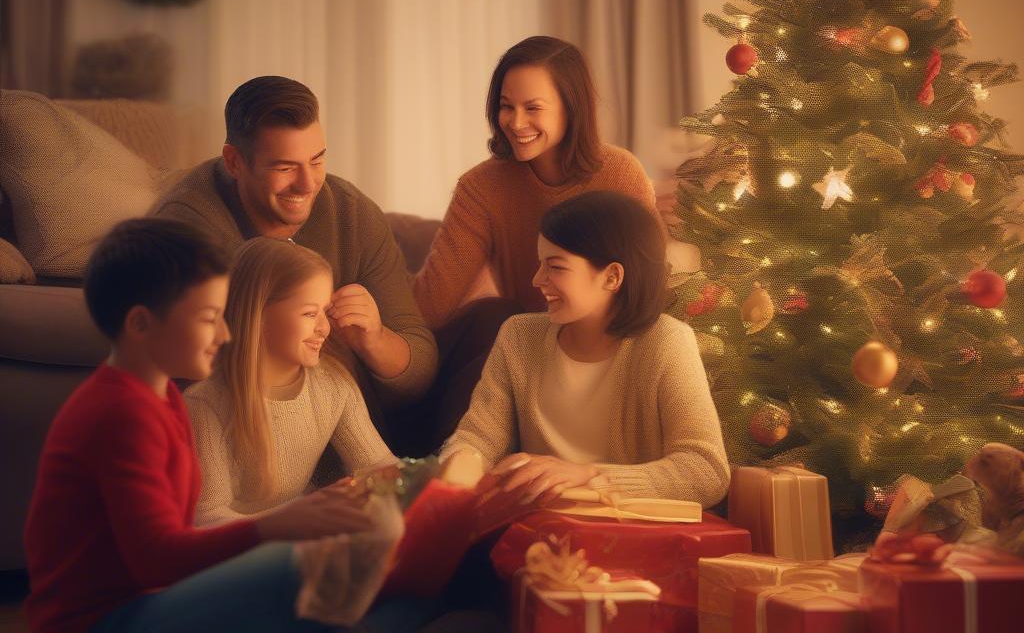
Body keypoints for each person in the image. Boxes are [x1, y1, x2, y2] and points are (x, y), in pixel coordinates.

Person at [23, 219, 485, 633]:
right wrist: (280, 527)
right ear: (140, 325)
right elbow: (157, 559)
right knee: (307, 565)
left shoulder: (159, 400)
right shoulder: (121, 414)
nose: (225, 332)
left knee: (371, 572)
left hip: (154, 627)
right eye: (208, 318)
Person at [150, 74, 507, 456]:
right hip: (259, 429)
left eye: (317, 160)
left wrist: (373, 339)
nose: (308, 184)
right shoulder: (186, 228)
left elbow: (418, 367)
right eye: (284, 167)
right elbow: (185, 367)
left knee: (495, 318)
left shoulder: (351, 212)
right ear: (235, 162)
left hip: (377, 414)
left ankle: (459, 470)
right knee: (309, 329)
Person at [439, 191, 729, 507]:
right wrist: (461, 464)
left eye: (556, 267)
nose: (538, 280)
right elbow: (478, 438)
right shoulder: (518, 337)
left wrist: (589, 477)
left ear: (612, 277)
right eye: (541, 264)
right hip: (535, 537)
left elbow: (706, 472)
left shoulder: (666, 342)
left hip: (628, 541)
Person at [413, 35, 659, 331]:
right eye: (507, 106)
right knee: (491, 318)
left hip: (614, 339)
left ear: (571, 108)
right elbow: (429, 305)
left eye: (533, 108)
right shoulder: (480, 188)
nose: (516, 123)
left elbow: (651, 284)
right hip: (530, 345)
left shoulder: (621, 174)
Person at [187, 237, 398, 525]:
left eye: (326, 311)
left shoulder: (334, 386)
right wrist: (300, 519)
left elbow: (379, 467)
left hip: (305, 534)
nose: (324, 328)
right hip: (238, 552)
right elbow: (206, 518)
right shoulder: (204, 406)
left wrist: (425, 488)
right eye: (310, 313)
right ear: (258, 315)